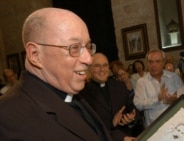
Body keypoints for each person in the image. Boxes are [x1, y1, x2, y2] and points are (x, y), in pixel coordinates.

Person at [0, 8, 114, 141]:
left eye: (88, 47)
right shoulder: (7, 117)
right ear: (35, 55)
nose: (89, 59)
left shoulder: (73, 93)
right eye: (74, 48)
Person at [80, 53, 141, 141]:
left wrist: (131, 117)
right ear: (89, 69)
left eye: (105, 65)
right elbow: (87, 126)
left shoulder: (119, 86)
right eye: (97, 66)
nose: (102, 69)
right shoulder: (83, 93)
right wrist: (111, 124)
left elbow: (132, 108)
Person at [133, 49, 184, 127]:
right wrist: (157, 99)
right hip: (155, 126)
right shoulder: (141, 82)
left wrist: (176, 99)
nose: (153, 65)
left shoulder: (173, 77)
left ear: (163, 63)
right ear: (147, 63)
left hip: (176, 123)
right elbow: (138, 104)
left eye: (157, 61)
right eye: (150, 62)